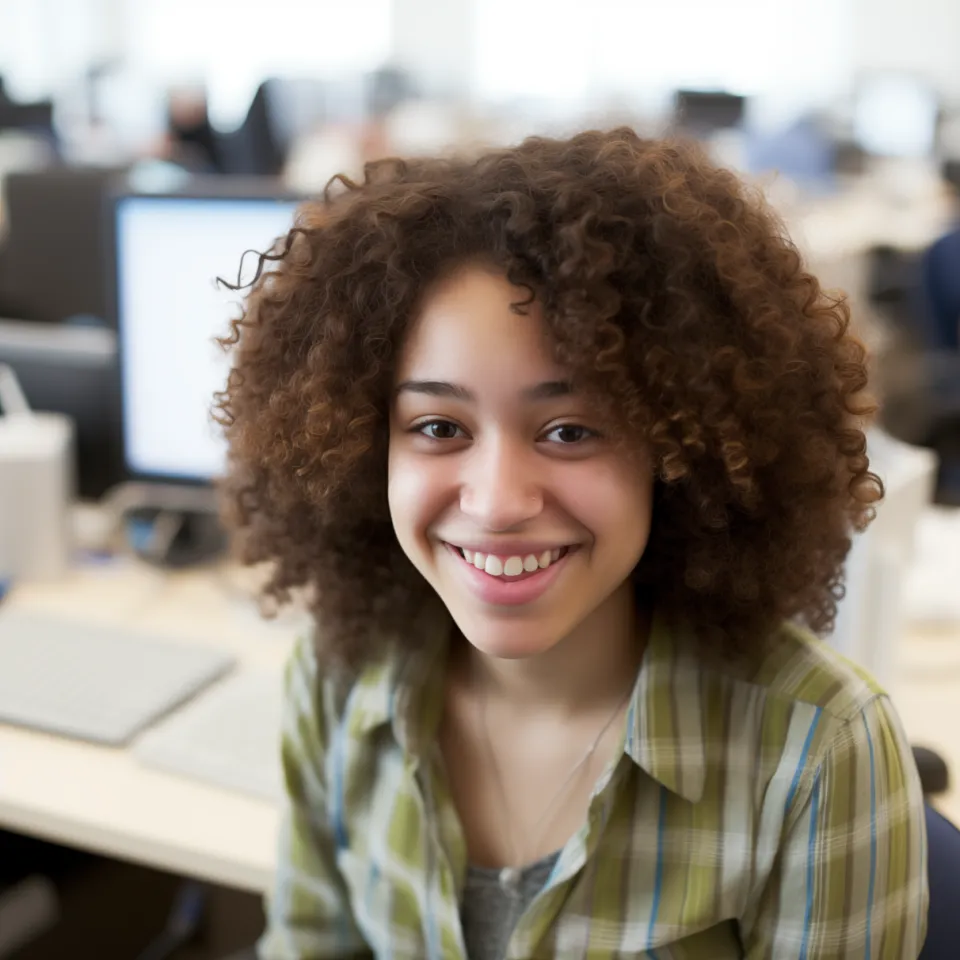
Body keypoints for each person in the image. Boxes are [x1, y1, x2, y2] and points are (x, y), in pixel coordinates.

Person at [216, 128, 928, 959]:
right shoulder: (338, 679)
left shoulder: (816, 752)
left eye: (569, 429)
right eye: (439, 426)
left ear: (679, 453)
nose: (498, 502)